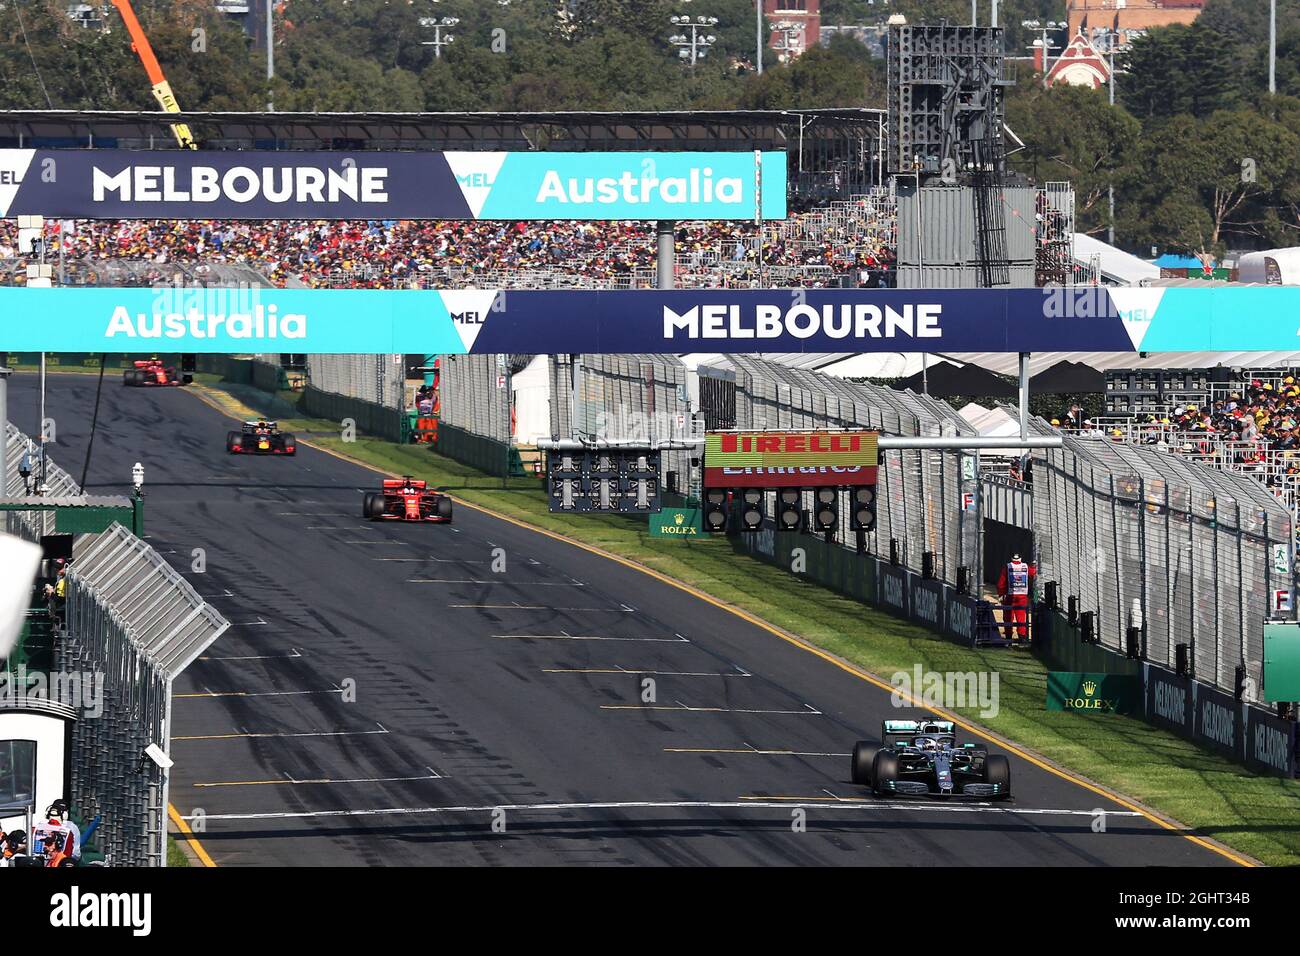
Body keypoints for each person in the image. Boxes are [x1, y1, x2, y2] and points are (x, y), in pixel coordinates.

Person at [997, 552, 1037, 642]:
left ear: (1012, 559)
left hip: (1009, 596)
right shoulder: (1026, 566)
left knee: (1008, 617)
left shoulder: (1007, 567)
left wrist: (1001, 594)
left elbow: (1001, 584)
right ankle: (1022, 637)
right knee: (1021, 617)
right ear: (1020, 559)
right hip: (1022, 596)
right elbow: (1033, 573)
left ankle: (1008, 637)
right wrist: (1034, 566)